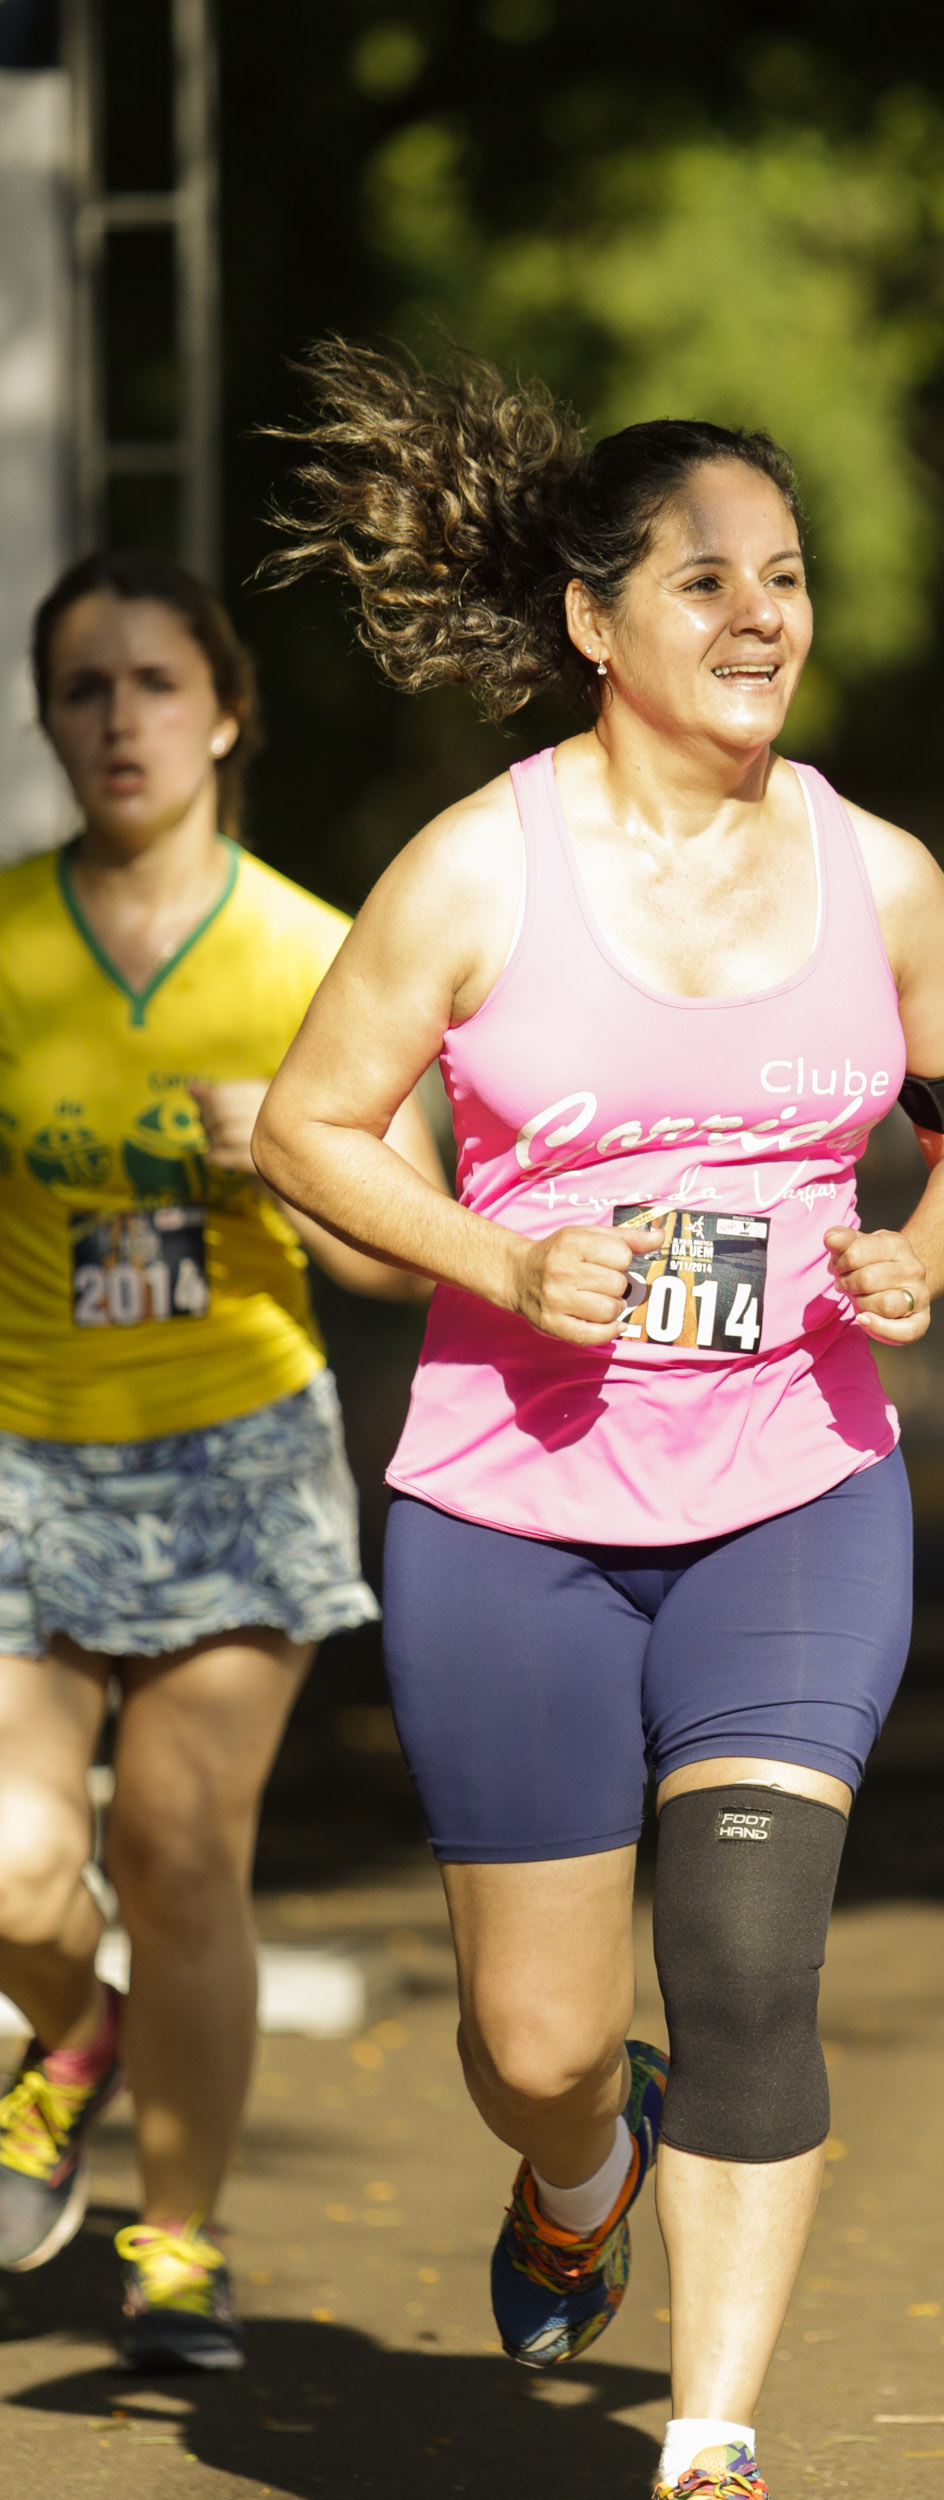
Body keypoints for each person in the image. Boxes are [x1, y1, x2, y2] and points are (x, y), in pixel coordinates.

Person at [252, 339, 944, 2500]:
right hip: (512, 1511)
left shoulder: (877, 874)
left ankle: (708, 2434)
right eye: (706, 580)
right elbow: (311, 1130)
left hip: (794, 1487)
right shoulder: (476, 871)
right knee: (533, 2041)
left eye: (783, 576)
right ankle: (577, 2170)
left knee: (746, 1958)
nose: (760, 615)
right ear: (595, 623)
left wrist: (925, 1251)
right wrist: (497, 1259)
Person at [0, 552, 446, 2368]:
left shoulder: (307, 950)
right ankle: (72, 2029)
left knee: (183, 1857)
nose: (121, 720)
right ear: (48, 721)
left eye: (156, 684)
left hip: (234, 1458)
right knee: (15, 1864)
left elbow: (410, 1249)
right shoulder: (9, 937)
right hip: (26, 1454)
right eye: (83, 688)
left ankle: (177, 2242)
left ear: (228, 712)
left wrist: (294, 1153)